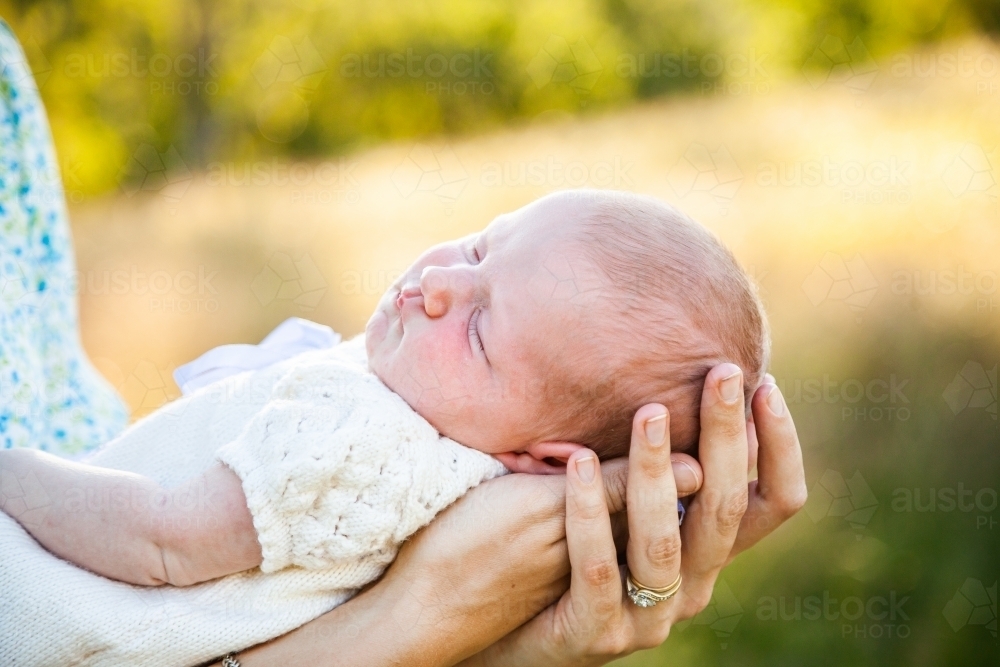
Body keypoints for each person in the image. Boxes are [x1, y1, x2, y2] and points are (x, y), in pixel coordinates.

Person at [0, 18, 808, 667]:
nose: (440, 283)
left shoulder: (368, 445)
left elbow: (163, 540)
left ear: (549, 459)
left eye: (482, 329)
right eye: (482, 246)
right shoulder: (464, 480)